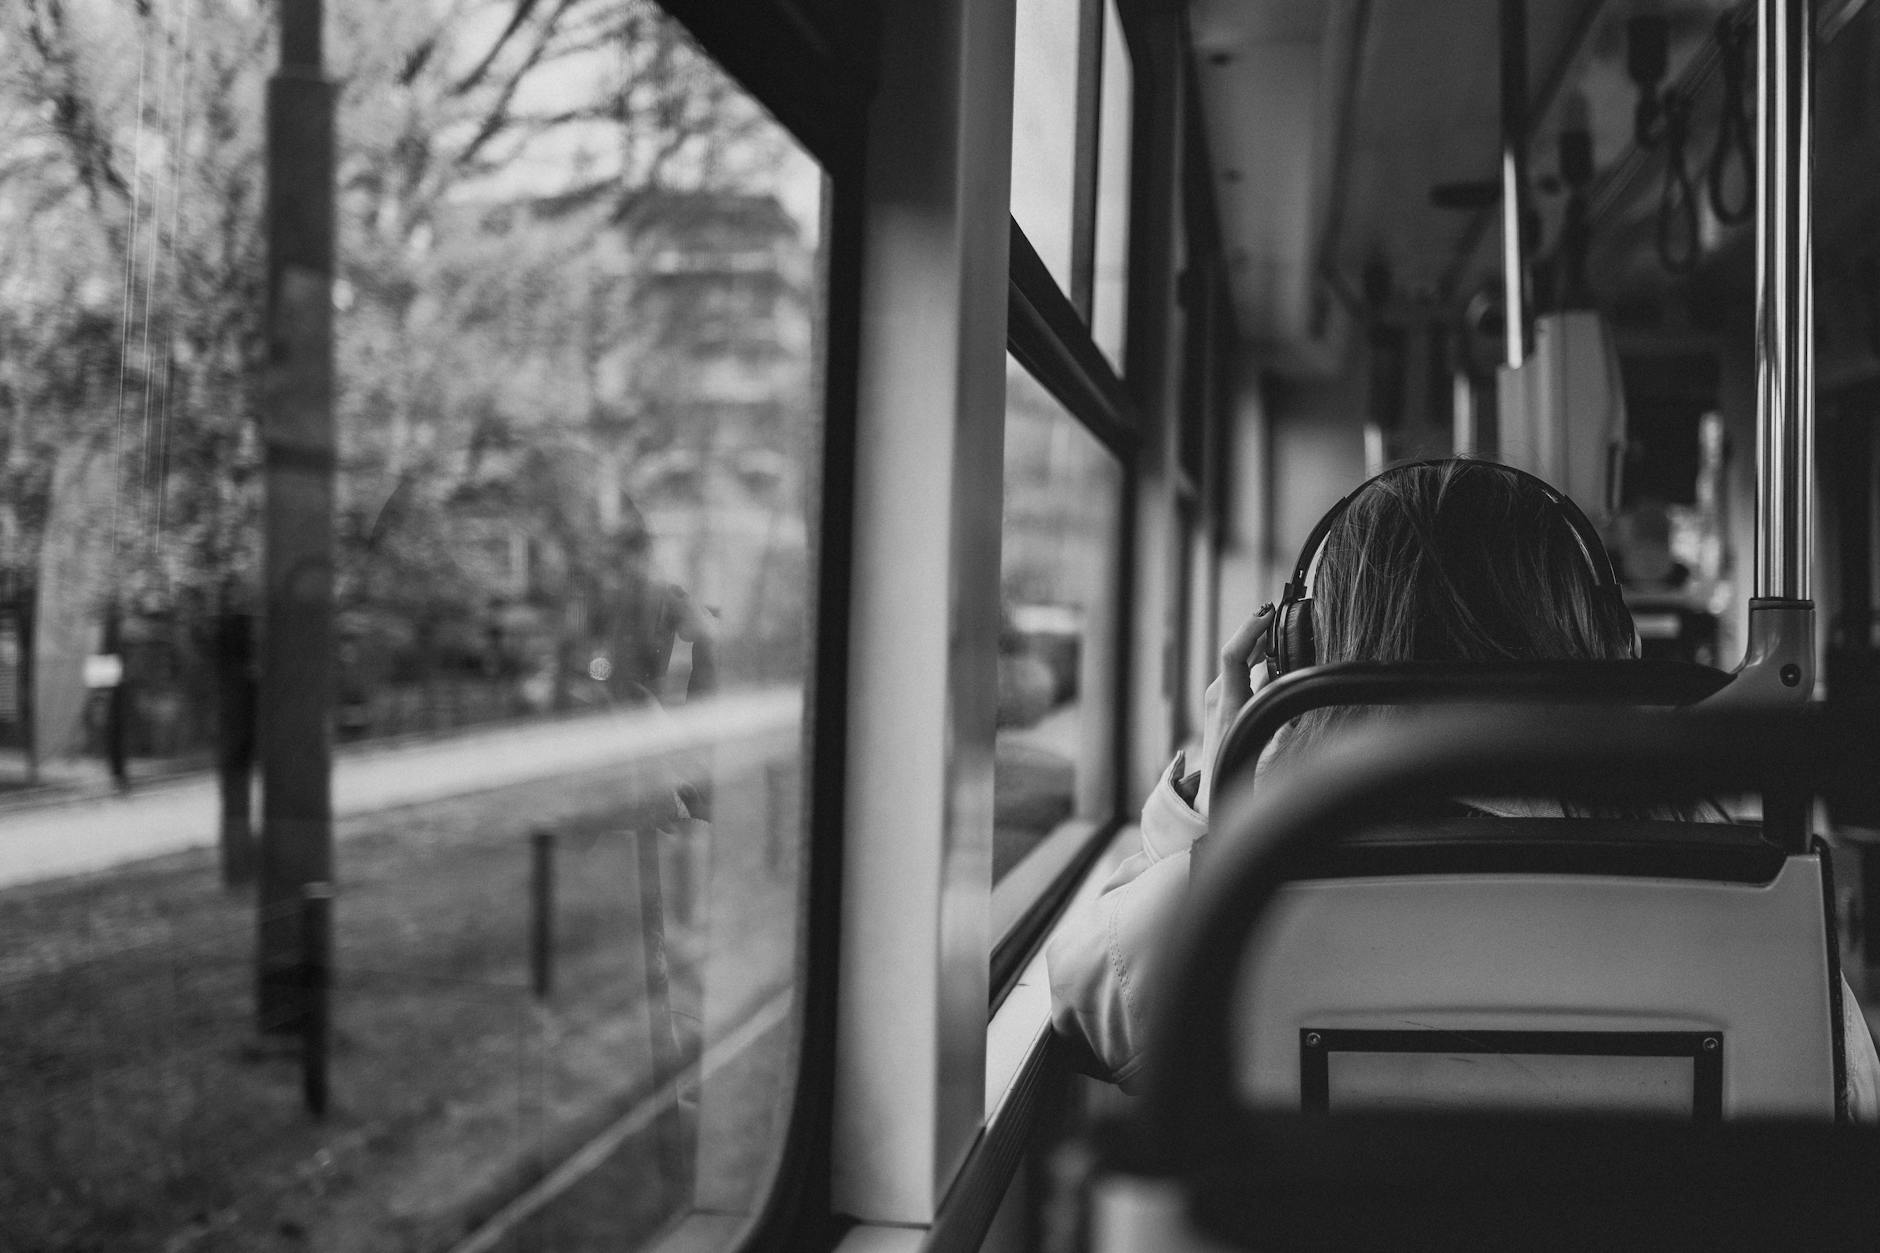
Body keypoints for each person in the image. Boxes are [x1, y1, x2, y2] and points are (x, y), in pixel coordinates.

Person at [1045, 458, 1880, 1115]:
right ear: (1606, 648)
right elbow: (1846, 1100)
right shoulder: (1756, 919)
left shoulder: (1231, 907)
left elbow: (1088, 995)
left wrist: (1215, 789)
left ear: (1303, 652)